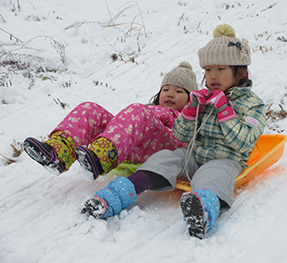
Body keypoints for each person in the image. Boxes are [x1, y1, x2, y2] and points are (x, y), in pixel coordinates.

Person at [81, 24, 266, 239]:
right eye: (207, 70)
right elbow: (180, 136)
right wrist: (190, 111)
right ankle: (116, 195)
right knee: (164, 158)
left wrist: (225, 110)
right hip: (194, 155)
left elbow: (245, 143)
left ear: (241, 73)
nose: (212, 76)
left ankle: (202, 211)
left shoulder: (253, 105)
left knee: (213, 174)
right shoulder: (204, 96)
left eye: (220, 69)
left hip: (226, 159)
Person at [23, 62, 198, 182]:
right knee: (90, 109)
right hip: (132, 143)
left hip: (165, 146)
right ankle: (58, 153)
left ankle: (101, 159)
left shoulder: (188, 117)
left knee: (138, 111)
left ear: (191, 97)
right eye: (165, 89)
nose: (169, 94)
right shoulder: (149, 108)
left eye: (178, 91)